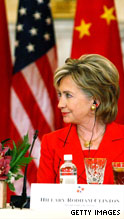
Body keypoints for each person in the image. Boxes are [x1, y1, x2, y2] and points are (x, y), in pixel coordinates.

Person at [37, 54, 124, 184]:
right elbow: (43, 199)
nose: (60, 104)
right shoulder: (51, 143)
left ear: (95, 100)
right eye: (60, 95)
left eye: (68, 95)